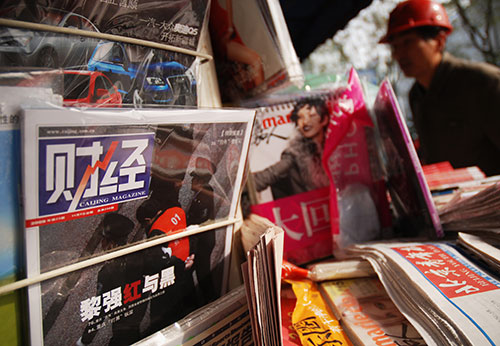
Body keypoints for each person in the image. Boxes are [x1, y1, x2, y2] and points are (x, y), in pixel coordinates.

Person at [380, 0, 500, 176]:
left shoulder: (483, 82)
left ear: (439, 41)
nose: (399, 55)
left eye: (408, 42)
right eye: (395, 47)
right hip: (455, 199)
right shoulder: (416, 95)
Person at [253, 98, 331, 199]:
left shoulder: (335, 147)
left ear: (324, 120)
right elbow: (263, 178)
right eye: (300, 117)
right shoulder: (294, 154)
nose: (305, 122)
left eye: (311, 116)